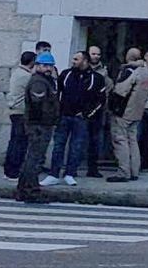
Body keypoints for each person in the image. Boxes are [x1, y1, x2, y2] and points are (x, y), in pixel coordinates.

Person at [41, 51, 107, 186]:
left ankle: (70, 173)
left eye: (76, 59)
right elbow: (57, 93)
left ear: (85, 61)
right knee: (58, 146)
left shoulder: (97, 78)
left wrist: (86, 114)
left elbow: (101, 100)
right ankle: (53, 174)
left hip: (81, 118)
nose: (73, 61)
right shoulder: (66, 74)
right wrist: (57, 113)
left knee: (76, 147)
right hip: (64, 116)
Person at [16, 53, 61, 203]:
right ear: (37, 66)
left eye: (50, 65)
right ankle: (31, 191)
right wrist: (44, 121)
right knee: (34, 159)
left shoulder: (46, 81)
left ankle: (22, 190)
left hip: (40, 124)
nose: (48, 68)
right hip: (39, 125)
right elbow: (38, 104)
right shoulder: (39, 82)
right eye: (44, 65)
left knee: (31, 158)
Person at [107, 51, 148, 183]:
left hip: (123, 112)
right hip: (137, 112)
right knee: (133, 141)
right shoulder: (147, 73)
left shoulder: (129, 71)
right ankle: (134, 171)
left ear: (129, 57)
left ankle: (123, 172)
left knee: (120, 141)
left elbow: (120, 91)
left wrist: (112, 106)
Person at [3, 51, 38, 179]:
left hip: (14, 110)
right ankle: (14, 171)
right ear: (32, 61)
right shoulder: (27, 76)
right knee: (20, 143)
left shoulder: (17, 72)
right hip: (22, 111)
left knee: (14, 141)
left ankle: (8, 169)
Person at [84, 46, 112, 178]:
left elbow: (108, 88)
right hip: (82, 109)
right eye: (93, 54)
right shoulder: (81, 70)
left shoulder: (104, 72)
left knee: (95, 140)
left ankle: (92, 168)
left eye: (98, 54)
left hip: (98, 110)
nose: (96, 56)